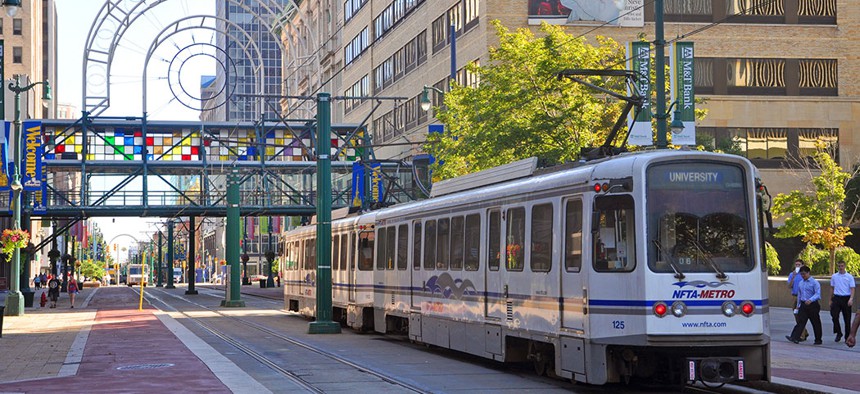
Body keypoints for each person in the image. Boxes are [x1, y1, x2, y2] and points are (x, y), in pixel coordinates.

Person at [786, 265, 823, 345]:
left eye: (804, 274)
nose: (803, 276)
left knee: (815, 322)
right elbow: (800, 295)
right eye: (801, 274)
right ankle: (795, 337)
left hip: (812, 305)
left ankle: (818, 339)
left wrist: (811, 300)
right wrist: (798, 305)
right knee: (801, 321)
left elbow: (818, 294)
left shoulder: (814, 283)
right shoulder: (801, 283)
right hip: (803, 304)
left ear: (808, 273)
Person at [829, 260, 855, 342]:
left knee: (847, 319)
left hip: (846, 298)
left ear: (845, 266)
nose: (840, 268)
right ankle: (838, 332)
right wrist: (830, 299)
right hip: (836, 297)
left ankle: (847, 336)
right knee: (834, 316)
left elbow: (852, 288)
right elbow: (832, 288)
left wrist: (851, 298)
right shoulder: (834, 276)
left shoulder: (849, 277)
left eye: (842, 266)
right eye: (839, 266)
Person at [787, 259, 808, 341]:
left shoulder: (804, 275)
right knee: (796, 315)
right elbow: (789, 286)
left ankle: (801, 335)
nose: (797, 266)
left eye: (799, 265)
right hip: (794, 296)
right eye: (796, 265)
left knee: (801, 316)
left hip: (802, 297)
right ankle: (804, 332)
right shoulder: (792, 274)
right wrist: (793, 276)